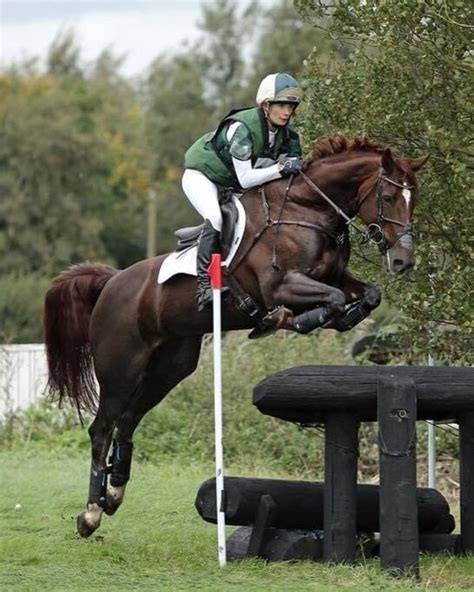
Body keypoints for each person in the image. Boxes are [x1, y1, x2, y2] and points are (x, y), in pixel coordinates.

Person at [183, 72, 304, 311]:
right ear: (266, 104)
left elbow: (296, 172)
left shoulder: (288, 135)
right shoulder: (242, 128)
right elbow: (248, 179)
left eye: (291, 106)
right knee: (215, 218)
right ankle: (204, 286)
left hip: (232, 184)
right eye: (281, 105)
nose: (287, 112)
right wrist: (281, 168)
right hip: (203, 177)